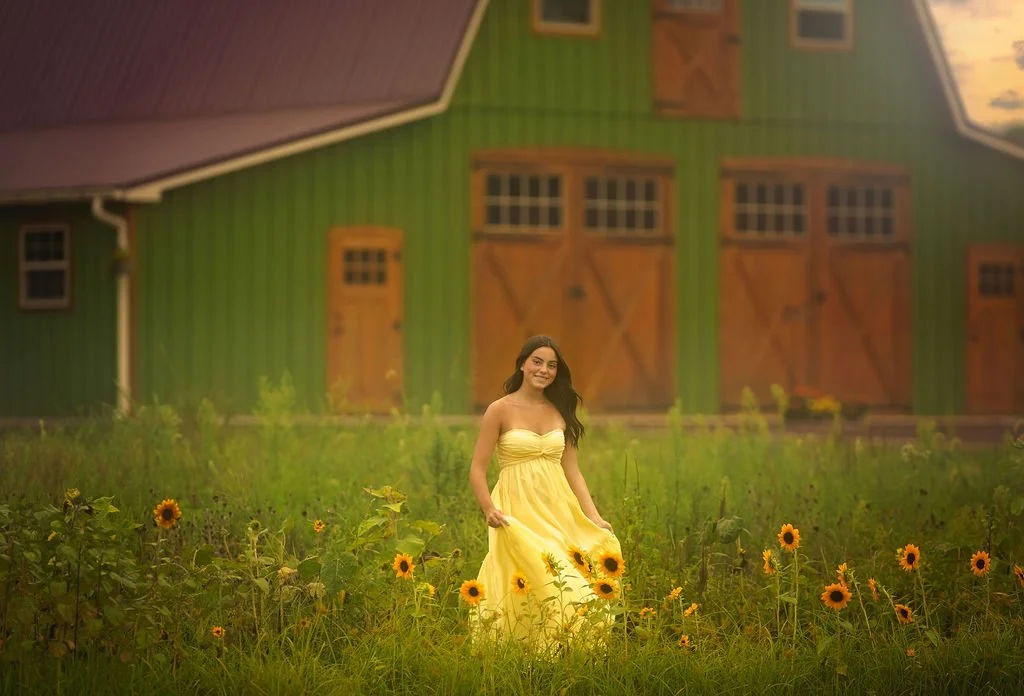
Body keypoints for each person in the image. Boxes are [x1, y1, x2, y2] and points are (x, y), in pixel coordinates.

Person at [465, 335, 625, 652]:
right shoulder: (500, 409)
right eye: (537, 361)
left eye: (552, 365)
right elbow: (477, 469)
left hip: (557, 509)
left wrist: (593, 516)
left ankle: (557, 650)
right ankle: (520, 650)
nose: (544, 369)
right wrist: (488, 509)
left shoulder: (560, 410)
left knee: (573, 581)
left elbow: (573, 470)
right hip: (516, 509)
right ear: (523, 364)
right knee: (530, 576)